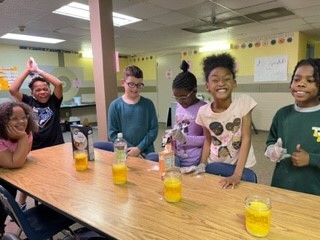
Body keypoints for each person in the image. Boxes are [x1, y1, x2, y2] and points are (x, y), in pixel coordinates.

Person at [9, 57, 64, 209]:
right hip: (35, 147)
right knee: (30, 178)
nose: (42, 92)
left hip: (56, 147)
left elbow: (58, 83)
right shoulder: (28, 102)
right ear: (32, 93)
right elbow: (13, 90)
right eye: (38, 89)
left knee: (56, 176)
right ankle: (21, 203)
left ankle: (56, 200)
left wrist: (38, 71)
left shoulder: (54, 101)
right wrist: (28, 70)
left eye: (45, 88)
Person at [195, 53, 257, 188]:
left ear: (234, 83)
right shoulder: (203, 112)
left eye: (226, 79)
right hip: (215, 163)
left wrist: (237, 174)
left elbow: (246, 138)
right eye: (215, 80)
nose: (221, 83)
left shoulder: (243, 102)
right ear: (207, 86)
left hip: (241, 165)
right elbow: (208, 140)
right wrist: (202, 164)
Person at [265, 58, 320, 195]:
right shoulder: (282, 114)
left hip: (313, 191)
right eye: (296, 79)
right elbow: (270, 141)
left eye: (310, 80)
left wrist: (311, 159)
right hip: (281, 186)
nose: (301, 84)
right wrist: (272, 150)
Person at [0, 101, 38, 237]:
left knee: (6, 203)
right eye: (14, 118)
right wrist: (22, 138)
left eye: (24, 117)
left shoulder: (26, 132)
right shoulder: (20, 135)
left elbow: (22, 157)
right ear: (3, 121)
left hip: (10, 178)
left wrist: (22, 137)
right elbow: (15, 163)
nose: (21, 122)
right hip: (4, 178)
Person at [108, 65, 158, 157]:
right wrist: (131, 149)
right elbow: (112, 134)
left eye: (139, 85)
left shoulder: (148, 104)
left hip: (147, 153)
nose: (135, 88)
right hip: (125, 153)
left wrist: (139, 148)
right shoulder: (115, 106)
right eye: (131, 84)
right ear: (123, 82)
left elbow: (153, 130)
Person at [168, 60, 206, 168]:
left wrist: (185, 139)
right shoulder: (179, 106)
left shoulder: (203, 108)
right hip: (177, 156)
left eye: (183, 97)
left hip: (193, 160)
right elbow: (177, 128)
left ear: (194, 91)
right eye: (176, 97)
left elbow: (207, 139)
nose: (180, 101)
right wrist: (171, 138)